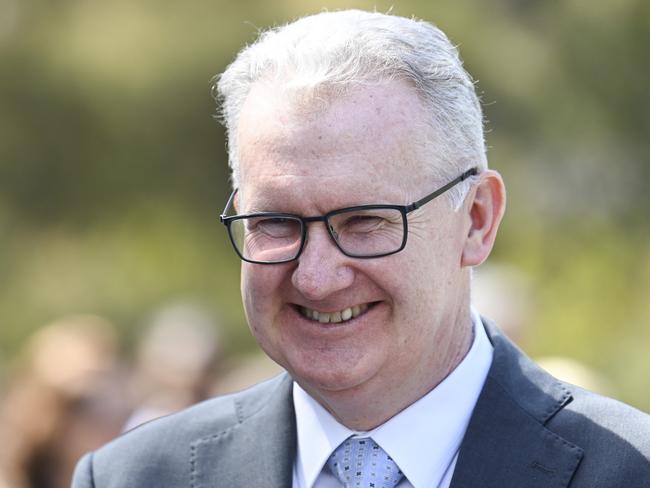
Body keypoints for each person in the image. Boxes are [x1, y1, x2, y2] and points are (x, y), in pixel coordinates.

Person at [72, 10, 650, 487]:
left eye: (365, 221)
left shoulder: (628, 471)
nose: (317, 277)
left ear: (476, 220)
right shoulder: (134, 476)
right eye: (276, 221)